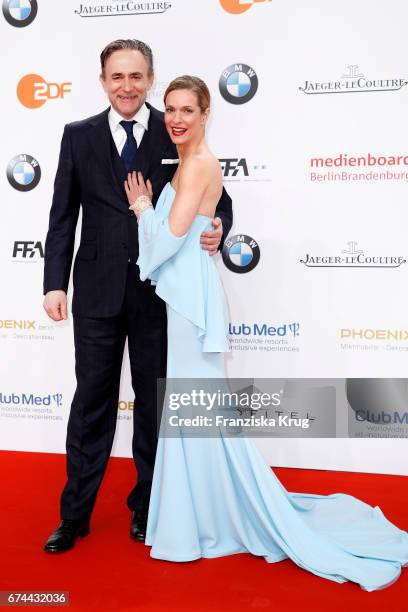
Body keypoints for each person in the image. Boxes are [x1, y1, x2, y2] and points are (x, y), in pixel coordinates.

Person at [124, 75, 408, 591]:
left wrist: (144, 210)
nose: (177, 118)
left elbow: (168, 241)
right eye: (170, 109)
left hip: (189, 302)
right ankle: (205, 514)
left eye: (188, 109)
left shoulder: (201, 164)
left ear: (208, 112)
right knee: (196, 411)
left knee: (196, 408)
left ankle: (203, 521)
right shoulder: (188, 163)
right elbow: (185, 235)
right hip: (186, 298)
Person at [42, 40, 233, 553]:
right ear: (102, 80)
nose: (126, 86)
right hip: (97, 296)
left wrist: (218, 226)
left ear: (150, 79)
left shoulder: (176, 130)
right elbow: (63, 217)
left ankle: (148, 510)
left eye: (136, 76)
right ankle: (74, 516)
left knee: (154, 408)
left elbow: (220, 199)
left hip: (158, 298)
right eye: (116, 76)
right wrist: (54, 282)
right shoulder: (77, 136)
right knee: (91, 406)